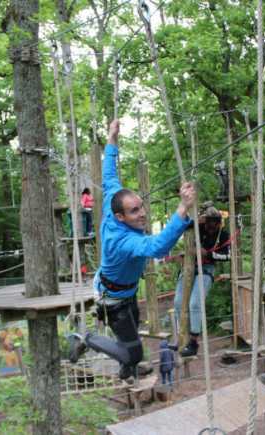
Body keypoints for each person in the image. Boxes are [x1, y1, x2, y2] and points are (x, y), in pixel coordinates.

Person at [68, 119, 197, 381]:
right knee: (134, 353)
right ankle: (86, 339)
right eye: (135, 211)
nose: (143, 214)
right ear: (120, 216)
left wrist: (112, 139)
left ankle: (126, 370)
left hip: (123, 291)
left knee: (131, 337)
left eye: (141, 206)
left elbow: (109, 175)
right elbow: (157, 245)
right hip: (112, 300)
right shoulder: (123, 242)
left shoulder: (114, 203)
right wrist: (182, 208)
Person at [173, 202, 230, 357]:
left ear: (218, 223)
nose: (210, 227)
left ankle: (193, 341)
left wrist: (209, 254)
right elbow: (181, 224)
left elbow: (227, 256)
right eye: (208, 223)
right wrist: (195, 220)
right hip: (188, 266)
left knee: (195, 303)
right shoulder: (198, 227)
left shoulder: (223, 234)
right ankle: (181, 336)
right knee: (178, 302)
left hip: (206, 269)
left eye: (214, 224)